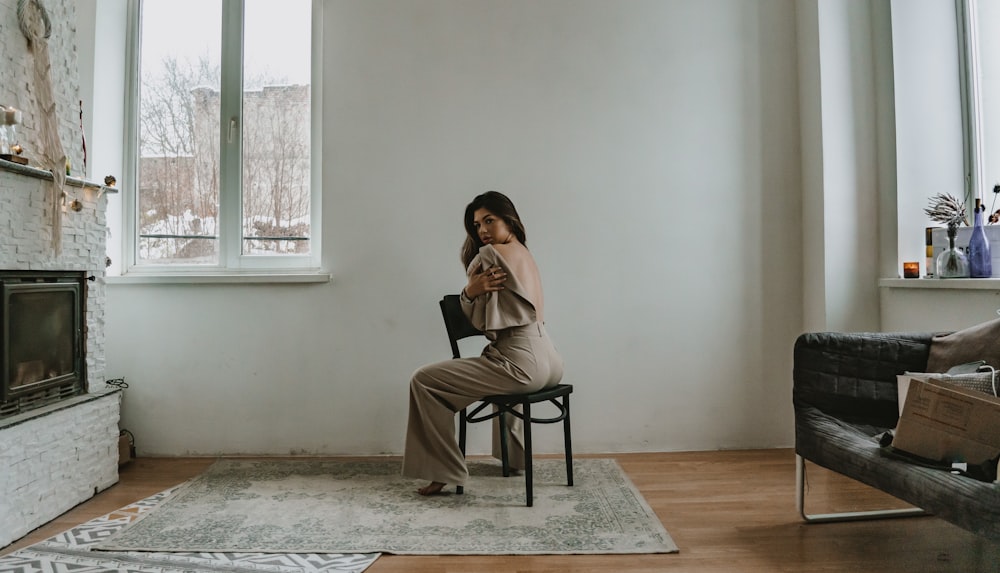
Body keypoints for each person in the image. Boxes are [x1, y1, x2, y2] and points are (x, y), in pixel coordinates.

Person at [402, 191, 564, 496]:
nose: (482, 231)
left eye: (489, 221)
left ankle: (443, 471)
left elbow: (481, 322)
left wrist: (469, 291)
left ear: (509, 219)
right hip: (551, 360)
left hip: (521, 364)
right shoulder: (525, 254)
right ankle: (514, 459)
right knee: (500, 370)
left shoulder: (490, 256)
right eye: (477, 225)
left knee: (423, 380)